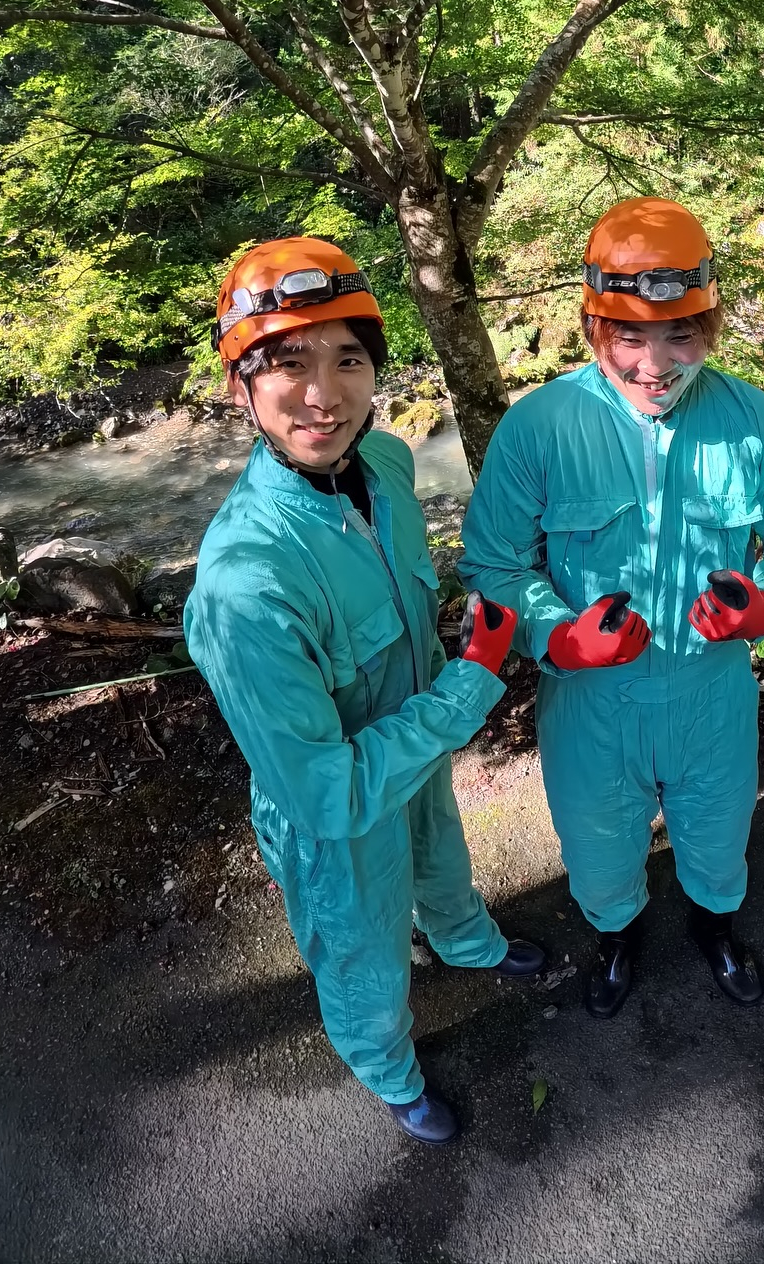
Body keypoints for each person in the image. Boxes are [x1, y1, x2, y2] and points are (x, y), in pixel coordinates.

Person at [185, 236, 545, 1144]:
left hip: (415, 750)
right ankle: (388, 1069)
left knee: (443, 857)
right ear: (241, 387)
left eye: (348, 359)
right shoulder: (246, 584)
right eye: (288, 364)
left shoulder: (383, 463)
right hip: (336, 818)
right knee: (362, 951)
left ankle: (469, 944)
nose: (323, 393)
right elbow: (326, 792)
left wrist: (453, 662)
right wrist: (471, 684)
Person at [459, 197, 764, 1017]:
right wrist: (558, 635)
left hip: (713, 695)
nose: (655, 363)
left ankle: (714, 931)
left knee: (717, 837)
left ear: (711, 321)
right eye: (629, 335)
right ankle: (617, 939)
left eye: (680, 334)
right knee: (599, 851)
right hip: (587, 704)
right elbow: (492, 564)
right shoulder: (538, 427)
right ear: (593, 326)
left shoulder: (752, 420)